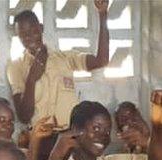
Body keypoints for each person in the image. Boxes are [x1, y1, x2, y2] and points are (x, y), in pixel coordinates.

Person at [7, 2, 110, 133]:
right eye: (24, 35)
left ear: (41, 28)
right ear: (19, 37)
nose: (30, 38)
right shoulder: (16, 66)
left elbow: (101, 60)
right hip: (39, 139)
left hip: (70, 135)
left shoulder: (65, 58)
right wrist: (31, 79)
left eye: (33, 32)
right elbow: (24, 116)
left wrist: (103, 14)